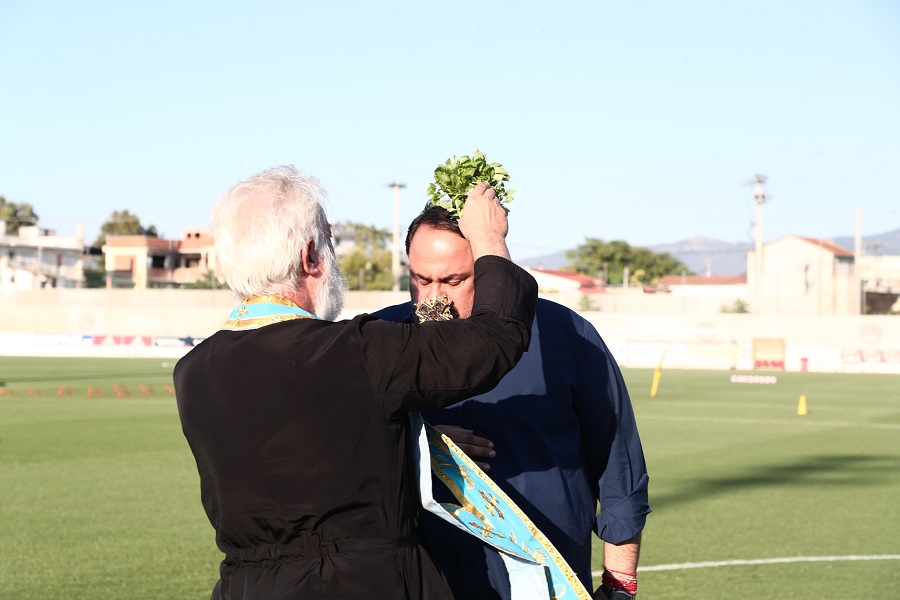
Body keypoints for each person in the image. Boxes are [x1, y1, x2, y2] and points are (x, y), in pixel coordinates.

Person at [174, 166, 538, 600]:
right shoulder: (355, 351)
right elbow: (493, 340)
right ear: (310, 255)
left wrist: (416, 441)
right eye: (329, 240)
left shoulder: (193, 371)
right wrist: (490, 240)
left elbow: (310, 449)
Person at [374, 205, 650, 600]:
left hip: (546, 582)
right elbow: (328, 458)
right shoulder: (379, 339)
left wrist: (620, 586)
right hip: (423, 581)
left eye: (454, 280)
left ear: (491, 268)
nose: (435, 297)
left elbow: (619, 467)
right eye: (421, 279)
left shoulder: (566, 335)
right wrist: (414, 446)